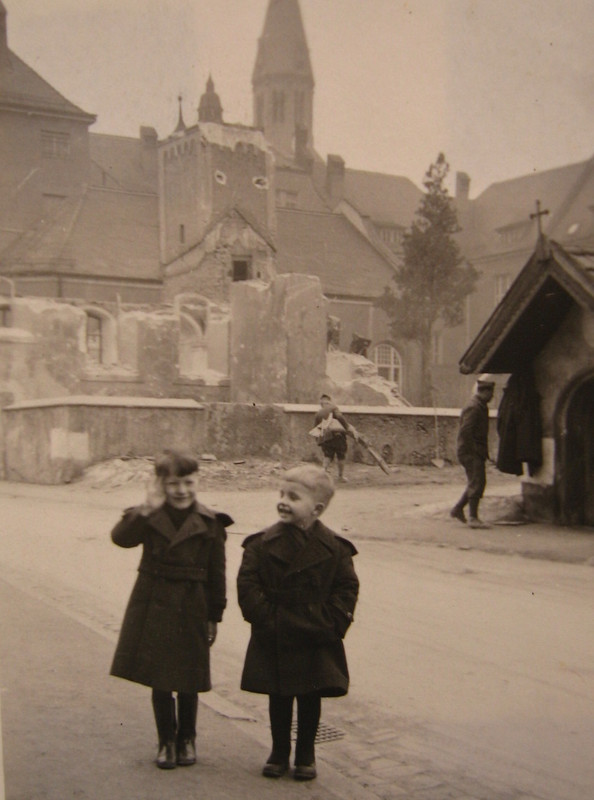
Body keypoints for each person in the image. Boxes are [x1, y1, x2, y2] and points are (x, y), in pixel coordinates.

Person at [109, 450, 233, 770]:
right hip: (155, 602)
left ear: (198, 480)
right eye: (173, 483)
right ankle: (166, 740)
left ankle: (187, 739)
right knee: (160, 677)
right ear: (160, 484)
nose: (181, 490)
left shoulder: (210, 522)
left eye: (188, 482)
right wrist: (146, 507)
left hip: (194, 605)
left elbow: (217, 574)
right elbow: (120, 539)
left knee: (189, 677)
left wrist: (214, 615)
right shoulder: (149, 515)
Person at [237, 465, 359, 782]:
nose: (283, 501)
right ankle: (278, 751)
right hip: (275, 630)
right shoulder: (260, 545)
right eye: (281, 494)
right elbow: (248, 585)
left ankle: (306, 753)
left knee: (310, 696)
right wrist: (265, 619)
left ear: (316, 509)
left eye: (293, 497)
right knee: (278, 695)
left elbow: (346, 589)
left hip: (316, 634)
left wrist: (332, 625)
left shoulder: (335, 549)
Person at [450, 377, 495, 529]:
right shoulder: (474, 407)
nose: (492, 396)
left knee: (476, 482)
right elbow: (466, 431)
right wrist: (474, 450)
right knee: (477, 482)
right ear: (484, 391)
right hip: (470, 452)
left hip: (474, 451)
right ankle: (473, 518)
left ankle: (458, 509)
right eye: (490, 392)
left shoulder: (480, 406)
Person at [312, 394, 356, 482]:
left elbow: (315, 429)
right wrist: (347, 427)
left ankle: (322, 473)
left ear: (322, 403)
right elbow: (339, 417)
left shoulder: (318, 413)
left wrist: (318, 441)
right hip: (337, 436)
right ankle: (340, 477)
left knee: (328, 455)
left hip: (325, 438)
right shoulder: (333, 408)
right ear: (329, 401)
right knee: (341, 455)